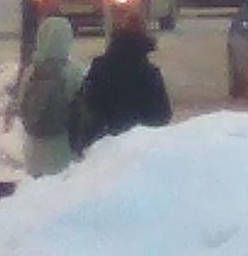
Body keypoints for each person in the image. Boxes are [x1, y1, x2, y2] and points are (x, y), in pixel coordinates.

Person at [75, 14, 172, 153]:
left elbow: (89, 104)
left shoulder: (99, 67)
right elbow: (162, 116)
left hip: (102, 146)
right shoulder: (149, 74)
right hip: (137, 149)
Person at [16, 16, 85, 178]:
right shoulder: (74, 72)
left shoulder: (31, 72)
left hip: (34, 152)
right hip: (63, 151)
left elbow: (22, 107)